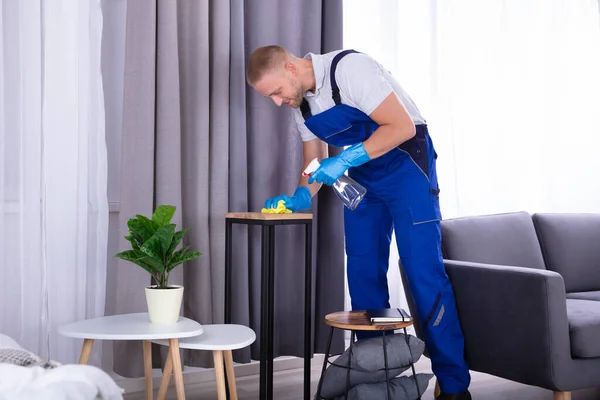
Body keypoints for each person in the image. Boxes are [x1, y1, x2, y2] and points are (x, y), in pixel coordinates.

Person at [246, 45, 472, 400]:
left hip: (407, 166)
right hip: (365, 174)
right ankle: (380, 378)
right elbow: (315, 161)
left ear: (291, 68)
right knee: (364, 273)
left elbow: (399, 126)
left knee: (423, 274)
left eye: (275, 92)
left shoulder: (350, 69)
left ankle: (454, 383)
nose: (277, 102)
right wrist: (301, 195)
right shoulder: (301, 104)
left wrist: (346, 158)